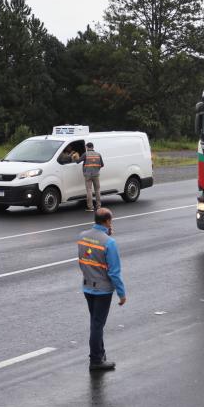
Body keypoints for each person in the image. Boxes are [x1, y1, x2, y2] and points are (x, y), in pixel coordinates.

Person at [77, 208, 127, 371]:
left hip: (87, 287)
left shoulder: (82, 236)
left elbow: (82, 262)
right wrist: (121, 293)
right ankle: (96, 360)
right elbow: (114, 272)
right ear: (107, 222)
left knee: (95, 322)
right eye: (110, 221)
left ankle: (100, 352)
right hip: (103, 290)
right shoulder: (109, 243)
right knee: (97, 325)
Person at [77, 142, 104, 211]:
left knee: (89, 190)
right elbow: (102, 165)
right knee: (97, 190)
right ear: (92, 147)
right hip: (96, 175)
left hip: (88, 175)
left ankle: (91, 207)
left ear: (87, 147)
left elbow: (78, 161)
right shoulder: (98, 154)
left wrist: (74, 156)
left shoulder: (85, 154)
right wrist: (96, 168)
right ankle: (98, 206)